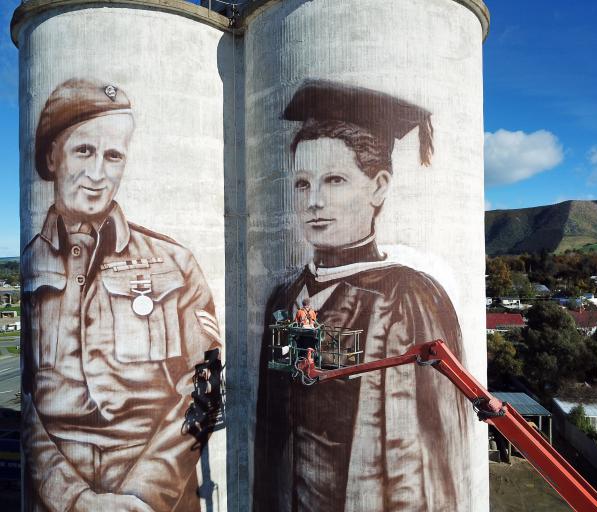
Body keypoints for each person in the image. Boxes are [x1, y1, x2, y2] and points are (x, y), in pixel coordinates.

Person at [254, 80, 472, 512]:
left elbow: (422, 465)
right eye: (301, 183)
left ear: (378, 186)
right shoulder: (285, 298)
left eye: (334, 180)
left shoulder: (406, 299)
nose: (314, 201)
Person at [21, 79, 221, 512]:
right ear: (53, 156)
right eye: (84, 151)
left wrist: (142, 496)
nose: (97, 174)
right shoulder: (30, 266)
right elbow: (26, 398)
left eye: (113, 156)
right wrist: (74, 500)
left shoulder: (175, 263)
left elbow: (206, 384)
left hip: (158, 500)